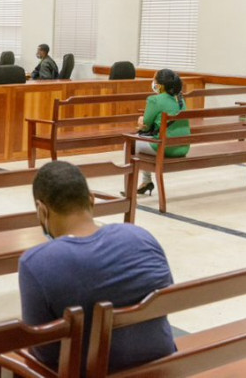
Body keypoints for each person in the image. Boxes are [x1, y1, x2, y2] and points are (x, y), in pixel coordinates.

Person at [19, 161, 176, 375]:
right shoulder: (141, 237)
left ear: (41, 210)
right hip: (161, 371)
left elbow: (44, 353)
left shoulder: (37, 263)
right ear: (91, 199)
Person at [135, 69, 190, 195]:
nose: (153, 82)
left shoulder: (154, 100)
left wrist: (140, 120)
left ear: (160, 85)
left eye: (154, 80)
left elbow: (145, 127)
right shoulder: (181, 100)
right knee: (144, 141)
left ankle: (139, 184)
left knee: (130, 144)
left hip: (164, 148)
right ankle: (146, 182)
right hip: (183, 147)